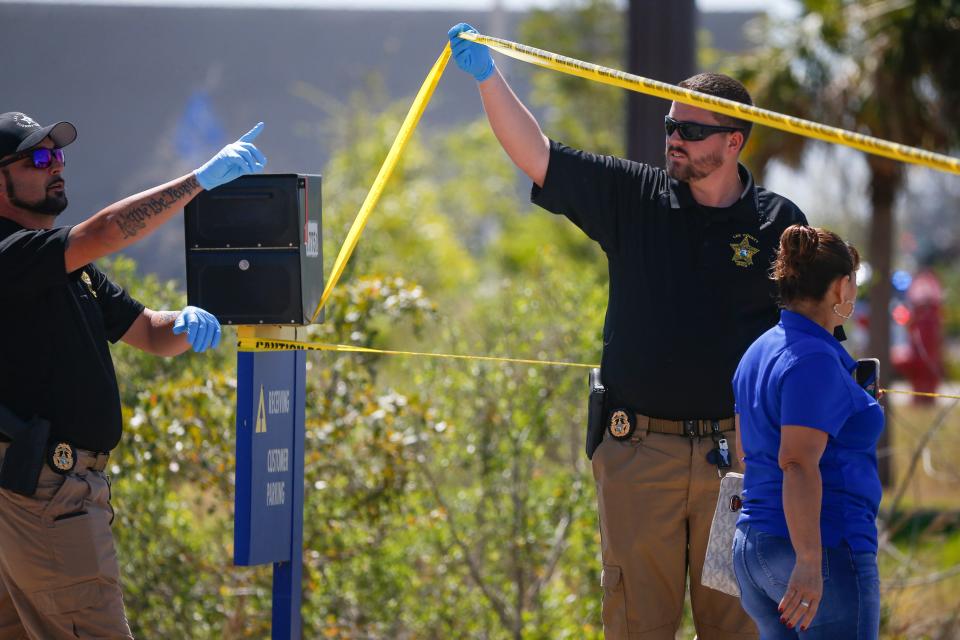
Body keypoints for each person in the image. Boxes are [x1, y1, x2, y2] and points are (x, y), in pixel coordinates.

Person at [448, 23, 808, 640]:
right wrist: (487, 79)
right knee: (640, 625)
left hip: (741, 466)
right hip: (642, 456)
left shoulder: (779, 223)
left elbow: (809, 335)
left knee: (735, 623)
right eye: (670, 125)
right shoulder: (636, 195)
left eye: (691, 132)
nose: (674, 139)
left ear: (733, 142)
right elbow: (538, 155)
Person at [0, 110, 266, 638]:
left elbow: (146, 330)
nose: (55, 166)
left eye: (57, 155)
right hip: (47, 495)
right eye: (37, 157)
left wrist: (186, 323)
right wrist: (196, 182)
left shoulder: (65, 262)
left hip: (44, 492)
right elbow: (105, 231)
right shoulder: (12, 252)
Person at [732, 225, 882, 639]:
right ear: (841, 286)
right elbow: (797, 461)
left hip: (754, 546)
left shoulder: (759, 349)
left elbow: (747, 452)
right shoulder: (813, 358)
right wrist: (810, 560)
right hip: (820, 546)